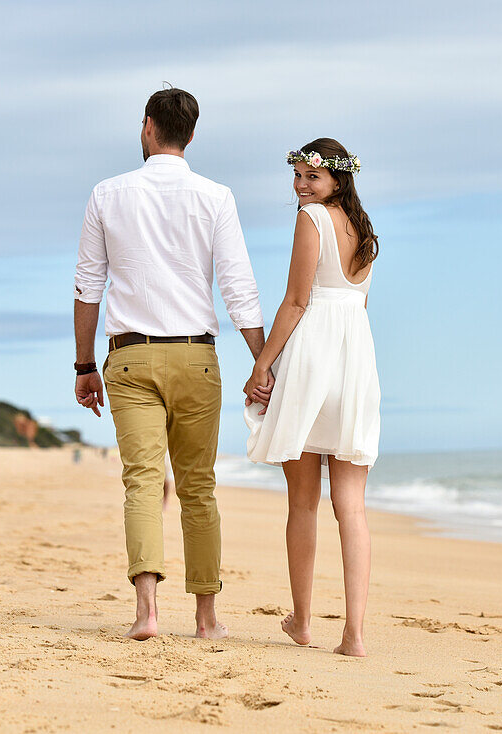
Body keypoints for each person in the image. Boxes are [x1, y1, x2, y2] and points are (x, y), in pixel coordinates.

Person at [73, 87, 268, 641]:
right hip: (196, 359)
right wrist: (261, 362)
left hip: (129, 358)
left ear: (147, 127)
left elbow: (89, 286)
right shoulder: (216, 197)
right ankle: (206, 619)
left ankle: (147, 614)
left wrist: (84, 365)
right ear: (190, 133)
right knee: (198, 488)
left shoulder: (107, 194)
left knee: (141, 483)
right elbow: (239, 288)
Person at [244, 138, 380, 657]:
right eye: (297, 176)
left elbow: (297, 300)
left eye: (311, 177)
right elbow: (355, 304)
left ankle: (303, 621)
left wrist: (262, 363)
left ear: (337, 179)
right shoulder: (365, 234)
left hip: (313, 358)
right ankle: (354, 635)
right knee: (352, 505)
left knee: (303, 500)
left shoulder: (312, 221)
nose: (301, 186)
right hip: (355, 363)